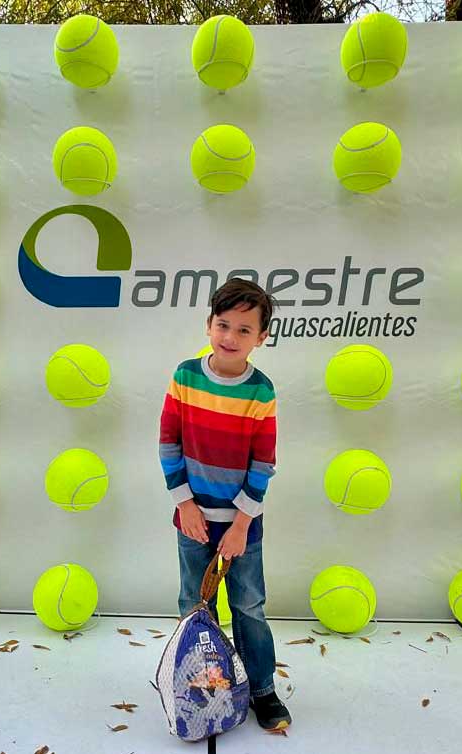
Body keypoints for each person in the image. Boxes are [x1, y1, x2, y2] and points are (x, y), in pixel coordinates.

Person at [158, 277, 291, 732]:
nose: (230, 337)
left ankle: (261, 689)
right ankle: (203, 685)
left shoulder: (261, 391)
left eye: (244, 330)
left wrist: (239, 526)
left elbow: (263, 466)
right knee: (195, 604)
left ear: (262, 337)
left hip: (241, 525)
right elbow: (169, 445)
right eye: (223, 325)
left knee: (249, 605)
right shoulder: (185, 376)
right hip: (191, 520)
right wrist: (186, 505)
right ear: (208, 325)